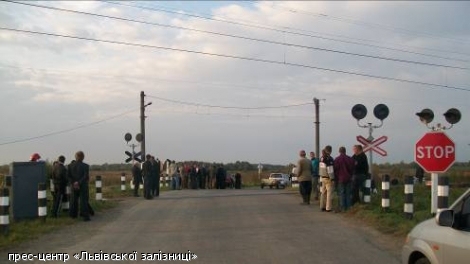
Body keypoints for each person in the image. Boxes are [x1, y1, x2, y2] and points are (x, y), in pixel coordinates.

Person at [67, 151, 91, 221]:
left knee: (73, 201)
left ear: (75, 157)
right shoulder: (86, 166)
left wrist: (74, 183)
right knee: (84, 201)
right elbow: (85, 176)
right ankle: (85, 216)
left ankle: (73, 215)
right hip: (83, 185)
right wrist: (79, 182)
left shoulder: (70, 166)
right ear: (83, 157)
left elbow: (68, 176)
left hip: (73, 186)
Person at [333, 146, 355, 212]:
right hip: (349, 178)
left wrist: (335, 178)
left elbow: (335, 169)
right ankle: (348, 207)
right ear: (345, 151)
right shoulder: (350, 159)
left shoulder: (337, 159)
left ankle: (342, 207)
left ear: (339, 151)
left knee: (342, 193)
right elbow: (353, 168)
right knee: (348, 193)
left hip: (340, 178)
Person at [319, 146, 335, 212]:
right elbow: (330, 170)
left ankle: (322, 206)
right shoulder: (329, 159)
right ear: (330, 151)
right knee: (329, 193)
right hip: (328, 178)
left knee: (323, 193)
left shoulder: (321, 158)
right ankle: (328, 208)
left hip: (322, 177)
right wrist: (332, 178)